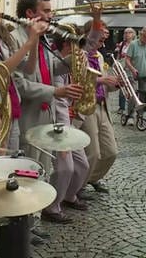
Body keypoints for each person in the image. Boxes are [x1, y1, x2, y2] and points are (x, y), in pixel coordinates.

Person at [11, 0, 83, 172]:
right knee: (28, 168)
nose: (51, 16)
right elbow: (18, 83)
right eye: (46, 11)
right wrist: (55, 92)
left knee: (44, 168)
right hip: (28, 114)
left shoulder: (42, 38)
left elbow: (51, 68)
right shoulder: (15, 38)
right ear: (29, 13)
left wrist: (74, 58)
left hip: (46, 112)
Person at [0, 6, 48, 150]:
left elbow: (29, 69)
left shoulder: (1, 39)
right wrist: (29, 41)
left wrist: (34, 40)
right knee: (0, 162)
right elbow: (0, 71)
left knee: (12, 161)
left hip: (11, 107)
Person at [41, 25, 90, 224]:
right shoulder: (54, 62)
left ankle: (69, 196)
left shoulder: (65, 62)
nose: (78, 47)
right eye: (74, 43)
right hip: (58, 123)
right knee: (65, 167)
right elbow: (59, 103)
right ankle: (51, 207)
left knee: (82, 164)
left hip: (68, 120)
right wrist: (63, 142)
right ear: (67, 44)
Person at [80, 22, 119, 194]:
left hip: (102, 106)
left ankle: (92, 178)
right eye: (99, 35)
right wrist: (102, 80)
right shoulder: (80, 54)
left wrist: (115, 84)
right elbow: (78, 79)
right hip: (87, 107)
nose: (102, 40)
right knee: (93, 152)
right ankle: (77, 187)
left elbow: (104, 83)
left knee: (111, 151)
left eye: (104, 37)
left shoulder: (100, 56)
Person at [114, 27, 136, 123]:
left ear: (133, 34)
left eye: (129, 32)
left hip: (131, 69)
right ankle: (121, 107)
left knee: (132, 90)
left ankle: (131, 113)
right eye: (125, 32)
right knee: (122, 89)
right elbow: (119, 55)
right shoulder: (122, 44)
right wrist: (117, 63)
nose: (127, 34)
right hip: (123, 69)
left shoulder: (135, 44)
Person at [125, 26, 146, 117]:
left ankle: (140, 116)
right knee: (133, 95)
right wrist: (133, 69)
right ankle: (129, 115)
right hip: (134, 74)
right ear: (141, 35)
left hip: (144, 76)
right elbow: (127, 60)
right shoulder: (133, 44)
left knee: (143, 96)